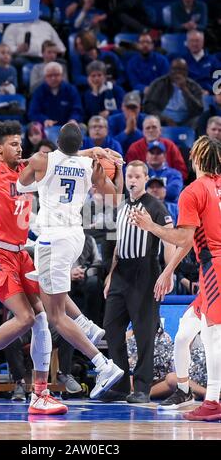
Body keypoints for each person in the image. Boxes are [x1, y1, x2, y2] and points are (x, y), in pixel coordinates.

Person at [0, 43, 105, 415]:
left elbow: (64, 155)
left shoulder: (32, 169)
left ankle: (40, 392)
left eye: (19, 142)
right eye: (12, 144)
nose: (19, 145)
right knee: (25, 318)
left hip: (21, 251)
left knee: (42, 319)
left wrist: (97, 152)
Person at [17, 122, 125, 400]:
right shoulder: (89, 165)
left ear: (55, 141)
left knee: (54, 315)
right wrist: (111, 167)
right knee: (45, 286)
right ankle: (88, 325)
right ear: (81, 145)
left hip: (53, 238)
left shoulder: (43, 159)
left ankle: (103, 365)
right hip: (75, 236)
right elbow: (114, 199)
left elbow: (20, 183)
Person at [128, 135, 221, 421]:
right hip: (212, 264)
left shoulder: (193, 191)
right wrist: (169, 270)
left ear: (195, 158)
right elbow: (191, 240)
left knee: (212, 335)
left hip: (214, 266)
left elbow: (182, 236)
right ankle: (183, 391)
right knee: (183, 333)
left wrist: (150, 225)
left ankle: (213, 401)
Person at [102, 160, 175, 403]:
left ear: (145, 179)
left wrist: (168, 273)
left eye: (136, 176)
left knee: (144, 332)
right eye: (129, 176)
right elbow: (116, 244)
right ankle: (121, 384)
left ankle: (142, 388)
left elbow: (169, 240)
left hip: (145, 271)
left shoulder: (156, 206)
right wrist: (111, 274)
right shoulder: (121, 206)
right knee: (111, 328)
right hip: (121, 270)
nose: (132, 180)